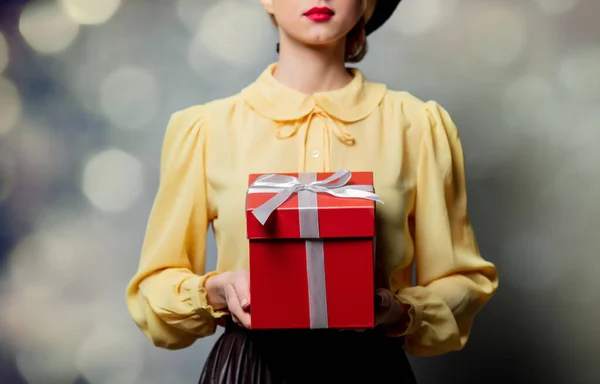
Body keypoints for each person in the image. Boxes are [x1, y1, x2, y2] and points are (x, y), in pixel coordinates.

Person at [125, 0, 499, 382]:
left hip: (369, 368)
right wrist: (215, 292)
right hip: (251, 368)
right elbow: (154, 289)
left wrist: (400, 310)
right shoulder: (206, 129)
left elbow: (463, 280)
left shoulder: (418, 126)